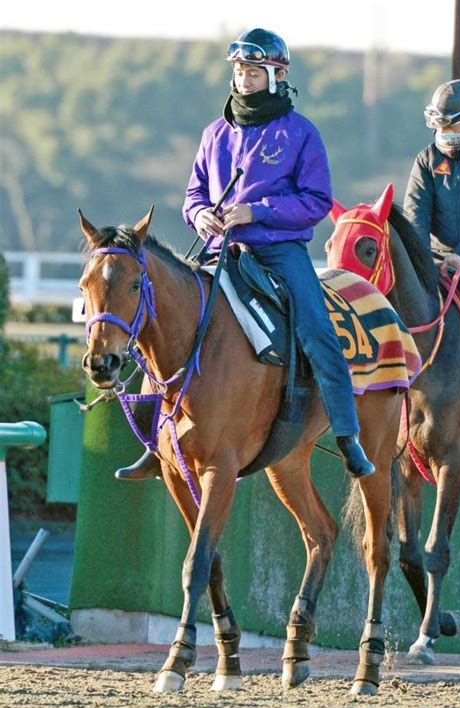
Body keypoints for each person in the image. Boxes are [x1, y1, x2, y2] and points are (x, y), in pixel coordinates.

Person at [117, 28, 375, 481]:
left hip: (279, 252)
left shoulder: (301, 133)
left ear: (276, 76)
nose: (243, 80)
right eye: (239, 72)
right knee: (153, 319)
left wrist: (254, 211)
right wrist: (201, 218)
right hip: (219, 251)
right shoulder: (214, 132)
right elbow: (194, 194)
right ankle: (155, 445)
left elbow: (316, 201)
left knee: (317, 329)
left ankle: (348, 436)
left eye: (253, 72)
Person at [403, 78, 460, 278]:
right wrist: (420, 259)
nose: (443, 133)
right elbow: (415, 213)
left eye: (449, 127)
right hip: (437, 263)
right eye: (439, 126)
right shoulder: (427, 159)